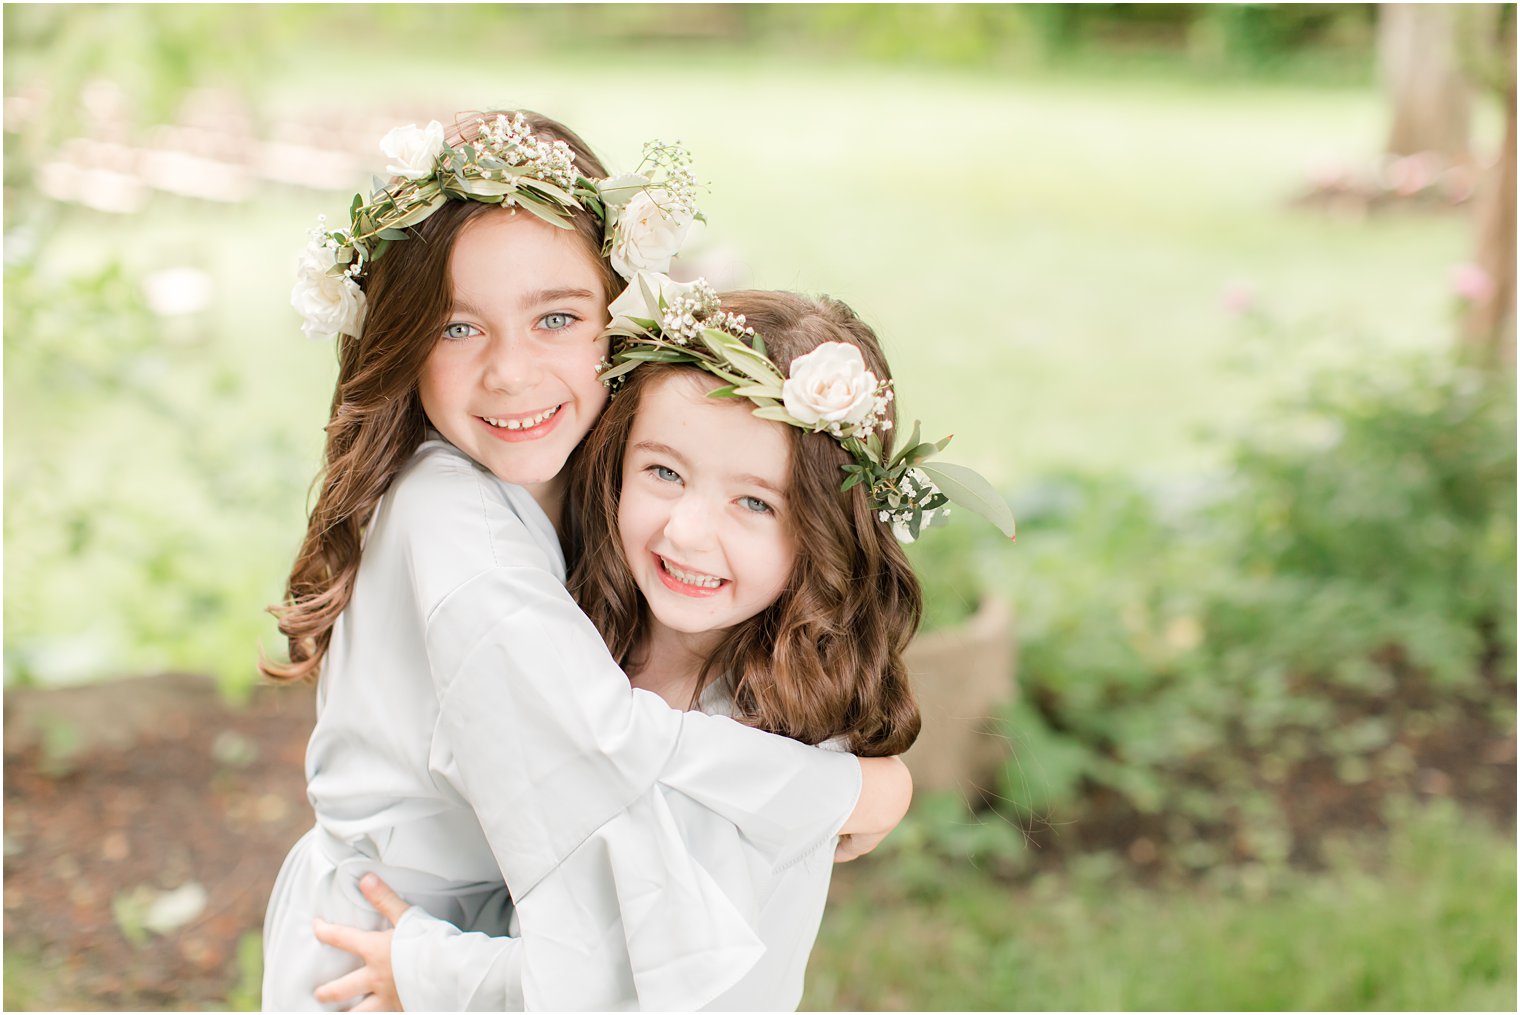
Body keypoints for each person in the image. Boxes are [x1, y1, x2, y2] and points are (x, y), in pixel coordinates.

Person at [261, 111, 916, 1012]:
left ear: (620, 310)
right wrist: (847, 789)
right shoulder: (455, 522)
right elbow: (604, 736)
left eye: (558, 317)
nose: (513, 374)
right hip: (384, 950)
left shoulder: (588, 490)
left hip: (497, 948)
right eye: (457, 328)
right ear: (400, 336)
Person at [311, 281, 1017, 1011]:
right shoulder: (586, 630)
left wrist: (426, 971)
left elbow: (627, 987)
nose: (686, 531)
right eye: (664, 472)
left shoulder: (768, 732)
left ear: (824, 531)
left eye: (754, 502)